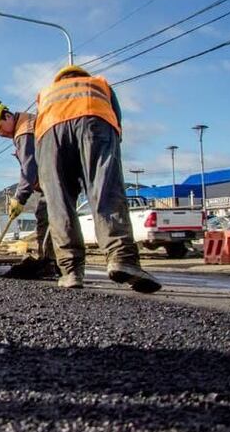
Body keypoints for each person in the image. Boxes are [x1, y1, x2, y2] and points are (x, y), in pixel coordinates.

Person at [35, 65, 161, 293]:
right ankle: (121, 258)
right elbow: (117, 122)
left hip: (50, 135)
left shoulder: (46, 93)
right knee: (105, 190)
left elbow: (39, 132)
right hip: (95, 124)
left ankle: (71, 271)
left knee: (59, 202)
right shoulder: (99, 85)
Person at [0, 99, 57, 279]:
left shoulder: (24, 131)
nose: (0, 133)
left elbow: (29, 169)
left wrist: (19, 198)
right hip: (56, 178)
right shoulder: (28, 123)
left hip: (55, 180)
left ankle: (48, 262)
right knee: (54, 219)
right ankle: (56, 262)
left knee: (46, 217)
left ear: (7, 116)